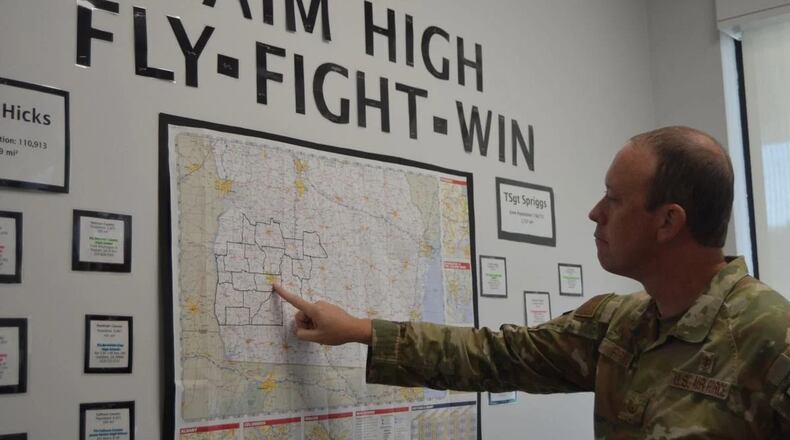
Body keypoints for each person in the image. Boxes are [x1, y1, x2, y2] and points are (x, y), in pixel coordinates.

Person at [273, 126, 790, 438]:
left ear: (668, 222)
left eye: (614, 200)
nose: (595, 213)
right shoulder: (621, 324)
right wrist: (360, 330)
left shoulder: (770, 338)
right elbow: (500, 356)